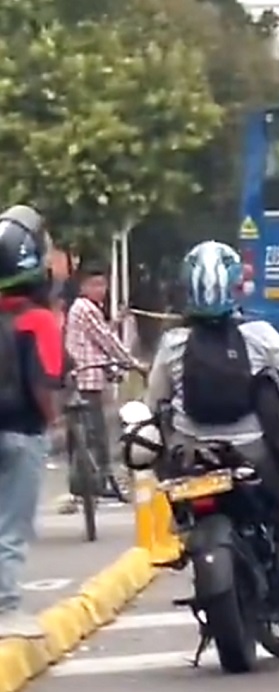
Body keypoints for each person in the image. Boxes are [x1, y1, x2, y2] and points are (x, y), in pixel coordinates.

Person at [143, 241, 279, 591]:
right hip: (253, 452)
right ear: (233, 286)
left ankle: (184, 533)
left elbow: (154, 403)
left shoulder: (173, 343)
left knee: (178, 489)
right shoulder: (259, 335)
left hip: (192, 453)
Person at [0, 206, 60, 639]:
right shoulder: (40, 320)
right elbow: (45, 383)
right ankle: (7, 609)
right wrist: (53, 422)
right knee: (12, 528)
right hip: (23, 434)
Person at [61, 263, 144, 512]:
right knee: (96, 434)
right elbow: (107, 341)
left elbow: (101, 337)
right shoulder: (86, 308)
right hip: (87, 381)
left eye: (104, 284)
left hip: (84, 378)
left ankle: (87, 484)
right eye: (95, 284)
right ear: (83, 286)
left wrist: (116, 323)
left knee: (86, 435)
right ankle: (100, 481)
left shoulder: (85, 309)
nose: (102, 290)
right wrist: (135, 364)